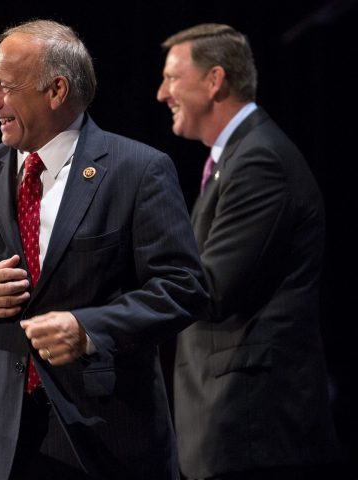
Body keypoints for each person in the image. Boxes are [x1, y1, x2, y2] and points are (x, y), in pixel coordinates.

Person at [0, 19, 208, 480]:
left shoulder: (138, 169)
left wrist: (87, 328)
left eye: (5, 88)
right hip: (2, 435)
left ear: (56, 90)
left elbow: (183, 288)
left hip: (108, 432)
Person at [156, 23, 341, 480]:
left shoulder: (260, 161)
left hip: (254, 431)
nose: (162, 94)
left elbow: (213, 288)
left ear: (215, 80)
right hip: (233, 430)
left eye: (173, 78)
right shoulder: (236, 158)